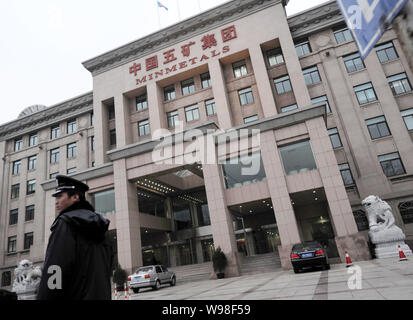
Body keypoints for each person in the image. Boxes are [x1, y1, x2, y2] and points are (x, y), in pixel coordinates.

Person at [37, 175, 113, 300]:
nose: (56, 201)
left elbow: (55, 268)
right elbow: (108, 267)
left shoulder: (65, 223)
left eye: (60, 196)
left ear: (75, 197)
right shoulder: (102, 227)